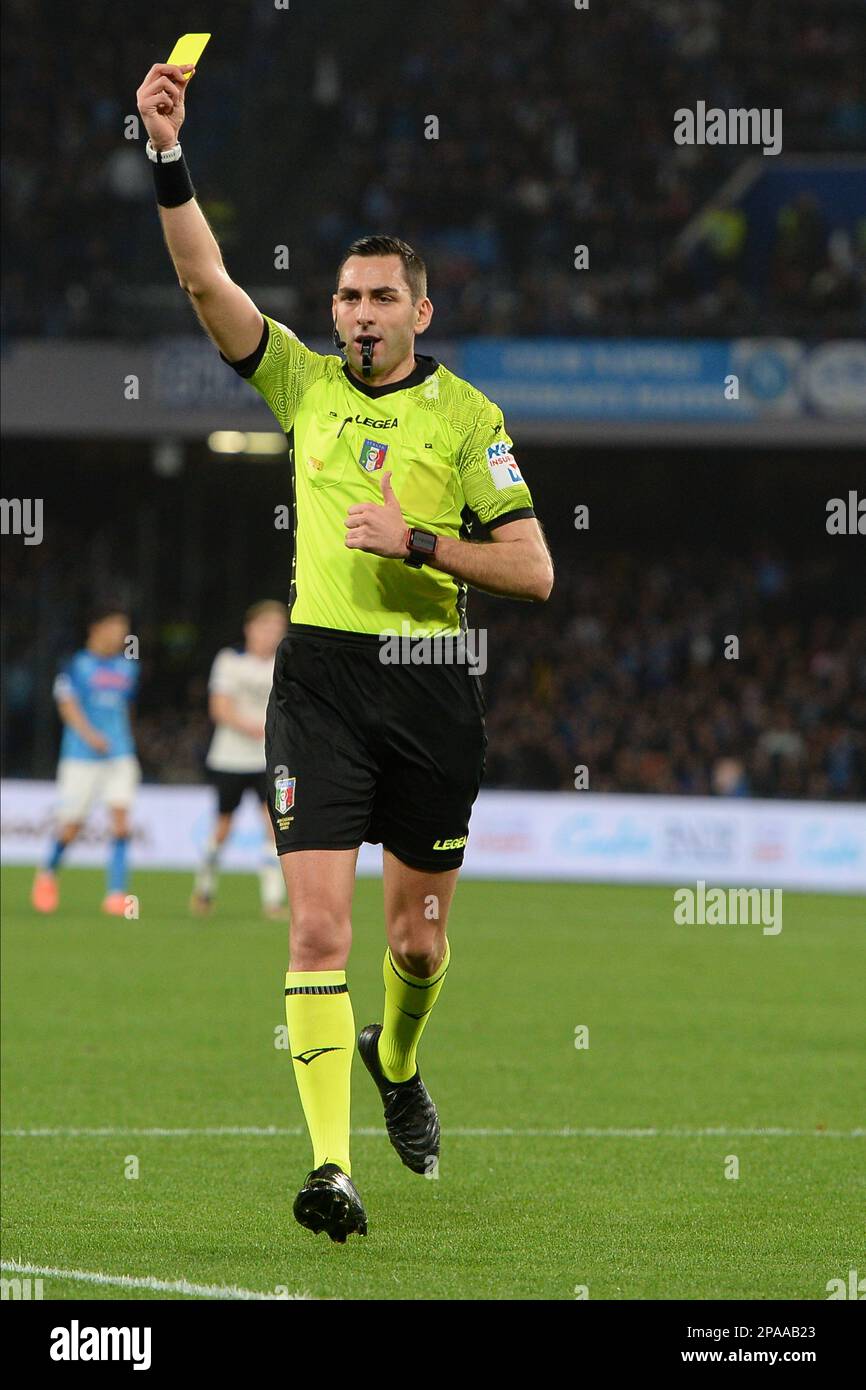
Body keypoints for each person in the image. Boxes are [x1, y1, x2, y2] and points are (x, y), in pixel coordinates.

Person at [137, 58, 553, 1241]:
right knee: (316, 928)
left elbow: (532, 570)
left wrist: (420, 540)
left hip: (429, 687)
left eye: (381, 298)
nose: (359, 314)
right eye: (345, 296)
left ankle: (398, 1054)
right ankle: (331, 1169)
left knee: (415, 942)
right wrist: (167, 149)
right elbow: (201, 274)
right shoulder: (298, 384)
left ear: (421, 312)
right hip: (316, 678)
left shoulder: (468, 419)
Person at [31, 607, 140, 916]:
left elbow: (126, 708)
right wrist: (90, 735)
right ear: (97, 628)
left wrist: (125, 739)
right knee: (71, 826)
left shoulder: (129, 666)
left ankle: (116, 894)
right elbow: (67, 704)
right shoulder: (76, 664)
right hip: (81, 757)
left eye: (124, 628)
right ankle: (47, 873)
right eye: (116, 627)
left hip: (120, 755)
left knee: (121, 822)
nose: (121, 634)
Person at [191, 601, 289, 920]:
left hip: (269, 759)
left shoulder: (284, 663)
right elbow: (219, 708)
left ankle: (273, 901)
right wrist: (255, 727)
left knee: (274, 828)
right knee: (223, 827)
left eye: (277, 629)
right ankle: (204, 890)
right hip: (230, 758)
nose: (271, 634)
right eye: (265, 627)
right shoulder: (229, 660)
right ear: (249, 628)